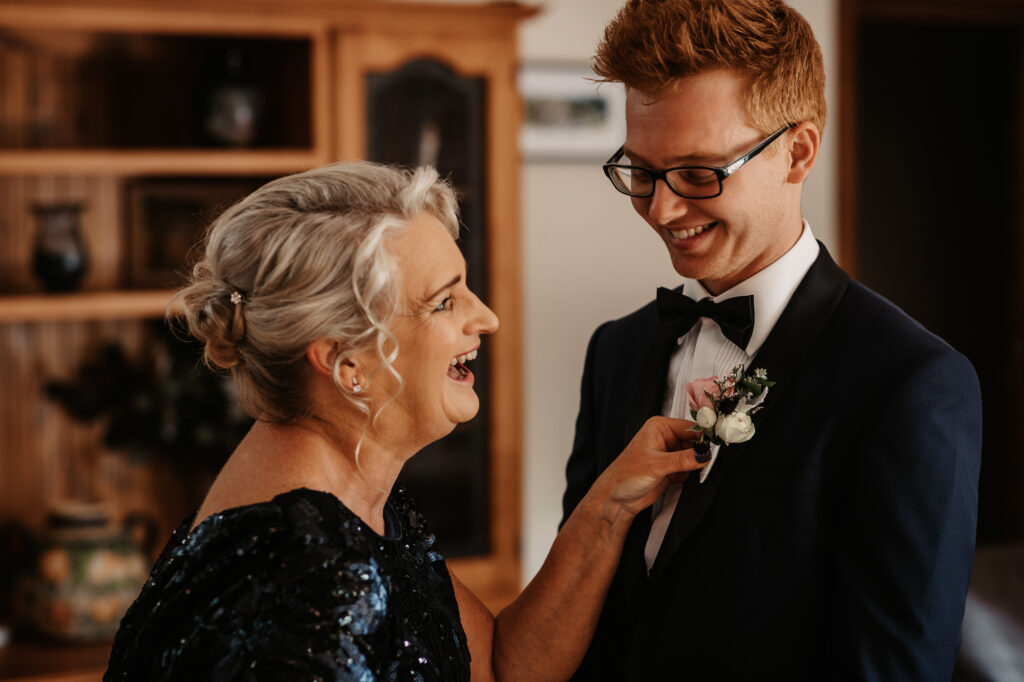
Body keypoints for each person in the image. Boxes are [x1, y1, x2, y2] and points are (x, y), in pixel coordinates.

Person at [103, 161, 707, 681]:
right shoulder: (305, 575)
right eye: (443, 302)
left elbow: (499, 667)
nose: (487, 319)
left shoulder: (355, 503)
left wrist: (610, 504)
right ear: (348, 364)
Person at [560, 1, 982, 679]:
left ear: (798, 151)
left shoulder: (912, 383)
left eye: (699, 173)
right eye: (641, 172)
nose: (662, 211)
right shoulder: (616, 350)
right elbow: (582, 611)